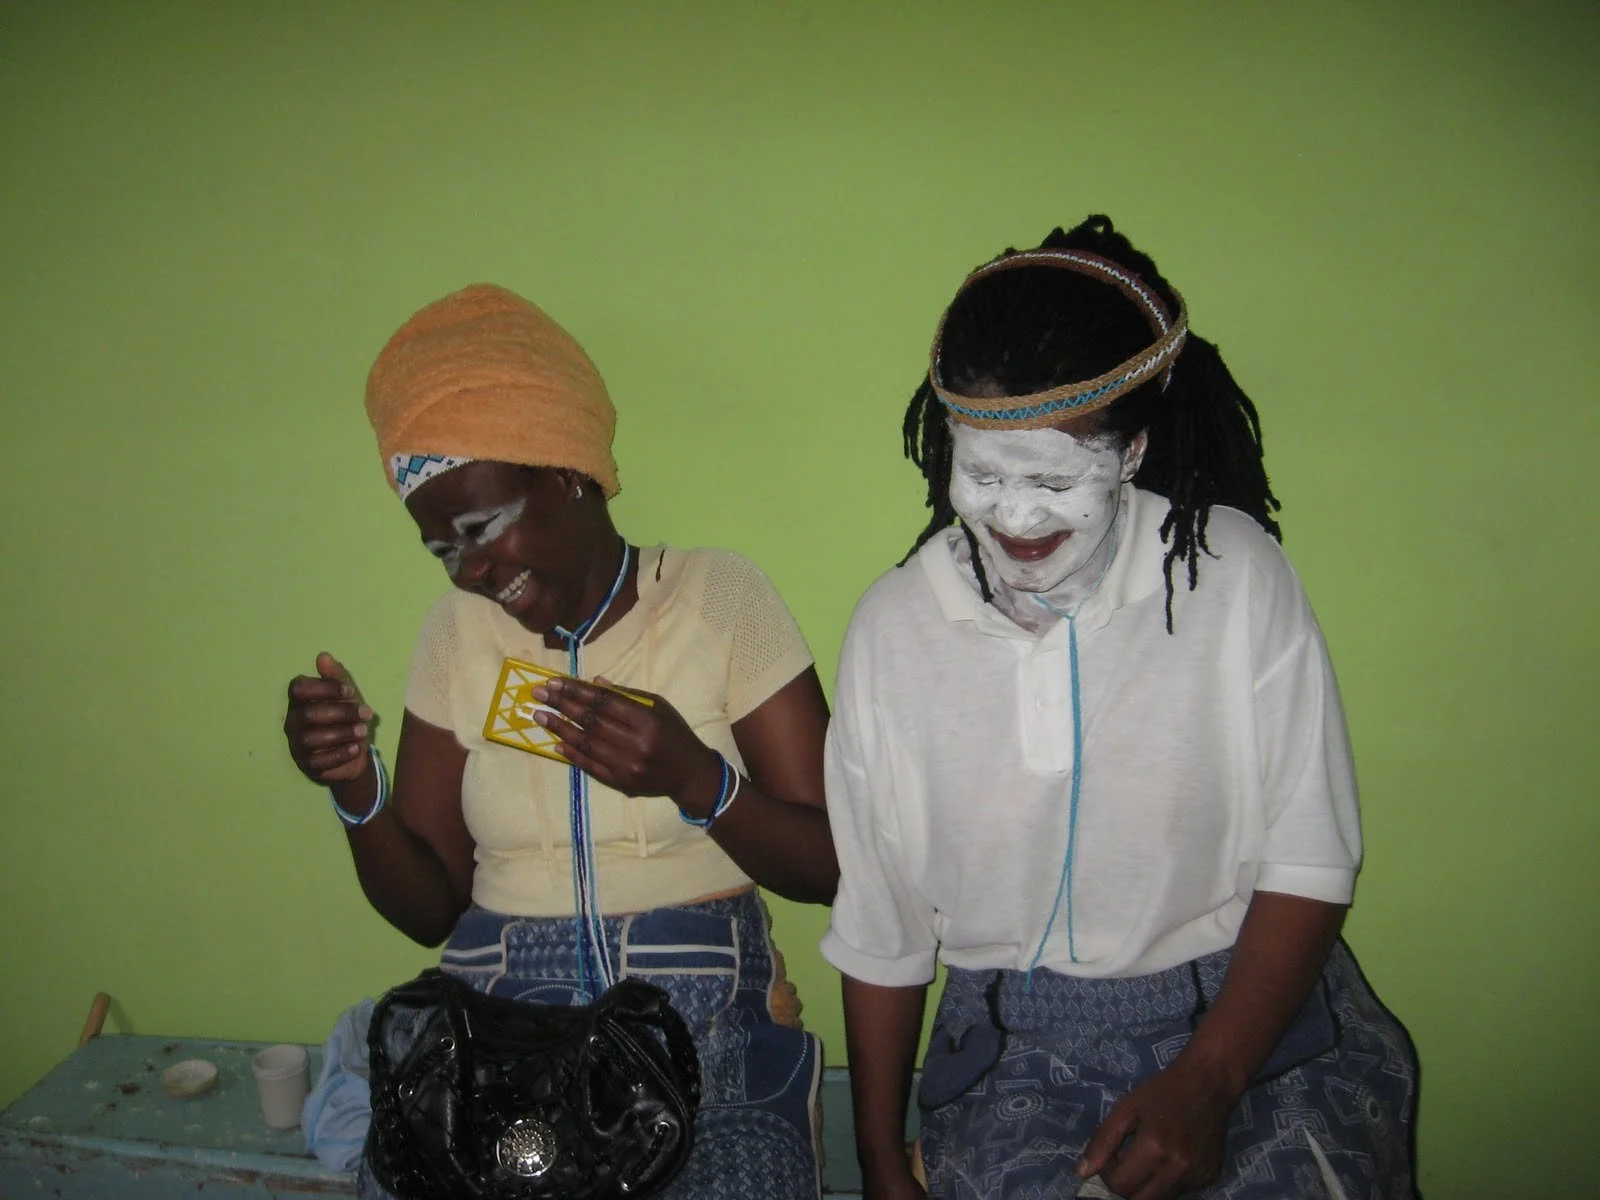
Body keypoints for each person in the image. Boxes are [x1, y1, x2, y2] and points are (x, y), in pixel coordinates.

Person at [822, 216, 1419, 1200]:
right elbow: (882, 924)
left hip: (1247, 1023)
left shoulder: (1231, 580)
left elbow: (1310, 856)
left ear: (1133, 449)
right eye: (982, 474)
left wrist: (1208, 1082)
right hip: (1010, 1048)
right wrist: (881, 1160)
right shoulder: (893, 631)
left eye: (1053, 480)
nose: (1015, 518)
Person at [283, 283, 836, 1199]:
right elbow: (428, 908)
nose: (469, 571)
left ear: (567, 473)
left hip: (701, 1035)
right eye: (442, 549)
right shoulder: (455, 638)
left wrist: (697, 781)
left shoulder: (718, 599)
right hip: (504, 1035)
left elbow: (831, 866)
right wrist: (353, 788)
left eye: (480, 528)